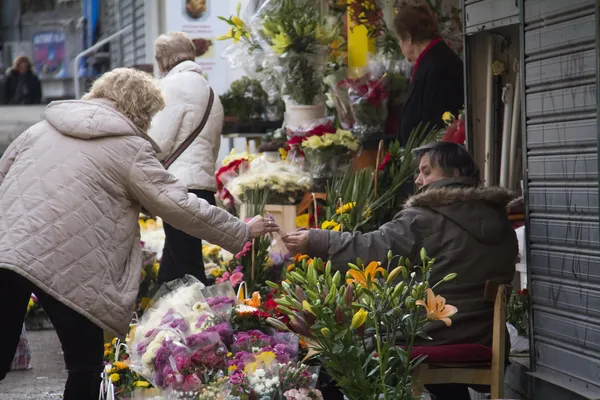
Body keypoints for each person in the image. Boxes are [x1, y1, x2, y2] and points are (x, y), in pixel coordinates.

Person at [0, 68, 279, 400]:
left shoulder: (36, 131)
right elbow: (181, 206)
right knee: (84, 366)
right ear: (143, 111)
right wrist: (240, 230)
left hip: (7, 251)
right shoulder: (129, 148)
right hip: (71, 265)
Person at [283, 141, 517, 400]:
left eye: (427, 172)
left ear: (455, 175)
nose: (418, 180)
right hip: (482, 336)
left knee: (340, 350)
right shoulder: (500, 221)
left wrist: (316, 240)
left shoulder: (426, 217)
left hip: (433, 334)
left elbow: (373, 248)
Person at [148, 32, 223, 285]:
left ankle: (208, 320)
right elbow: (213, 147)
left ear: (164, 60)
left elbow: (158, 141)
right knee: (174, 262)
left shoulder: (171, 86)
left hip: (178, 187)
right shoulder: (210, 90)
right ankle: (157, 315)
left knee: (189, 269)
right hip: (201, 184)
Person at [395, 0, 463, 145]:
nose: (400, 46)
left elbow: (436, 123)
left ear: (408, 37)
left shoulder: (437, 66)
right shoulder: (431, 60)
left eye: (399, 40)